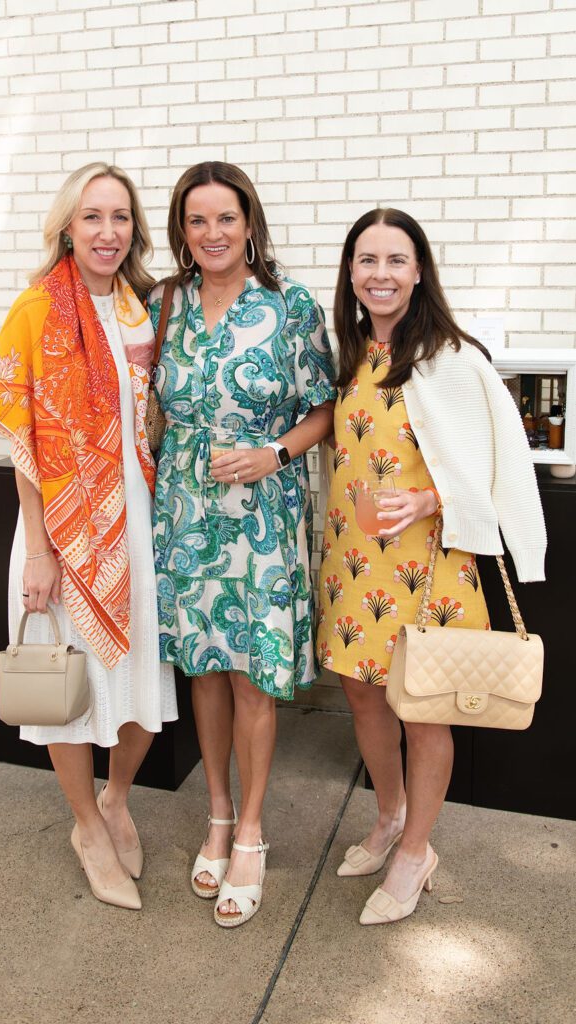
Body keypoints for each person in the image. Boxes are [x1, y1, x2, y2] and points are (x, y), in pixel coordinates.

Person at [316, 208, 546, 925]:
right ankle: (388, 817)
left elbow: (498, 463)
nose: (379, 274)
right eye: (366, 260)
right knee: (360, 696)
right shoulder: (351, 352)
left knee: (423, 712)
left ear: (419, 270)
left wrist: (427, 497)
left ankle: (417, 849)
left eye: (394, 260)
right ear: (350, 274)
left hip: (428, 565)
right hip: (354, 563)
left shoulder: (452, 357)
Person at [0, 163, 177, 910]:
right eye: (92, 216)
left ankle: (117, 797)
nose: (107, 231)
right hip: (61, 528)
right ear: (67, 225)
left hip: (140, 522)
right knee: (71, 692)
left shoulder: (142, 311)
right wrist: (39, 548)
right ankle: (86, 825)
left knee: (140, 681)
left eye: (120, 217)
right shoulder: (37, 309)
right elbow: (22, 431)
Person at [149, 161, 335, 927]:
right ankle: (217, 816)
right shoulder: (164, 304)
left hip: (261, 505)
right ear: (182, 232)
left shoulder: (289, 305)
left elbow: (323, 409)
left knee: (253, 673)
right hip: (186, 507)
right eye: (197, 221)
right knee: (205, 669)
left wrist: (274, 455)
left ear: (249, 223)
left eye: (225, 218)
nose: (213, 233)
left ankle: (252, 831)